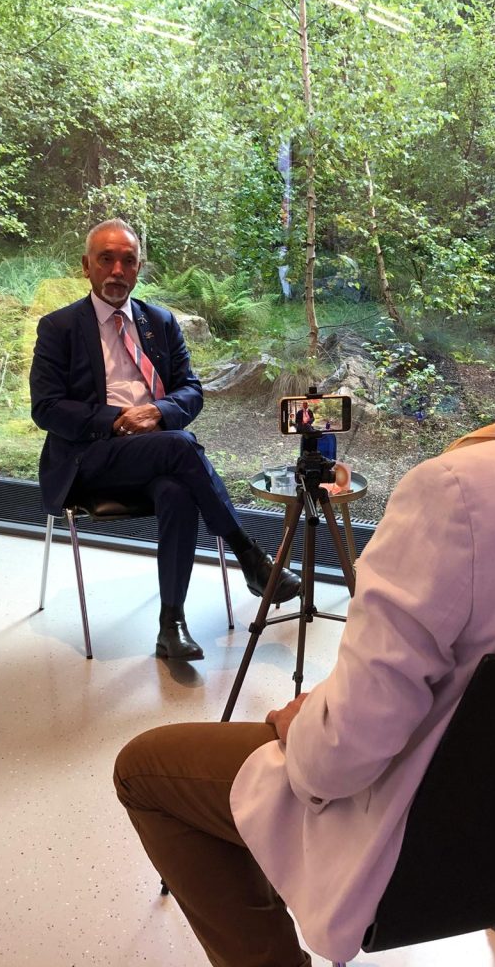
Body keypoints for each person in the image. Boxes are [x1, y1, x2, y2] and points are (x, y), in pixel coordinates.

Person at [112, 237, 495, 965]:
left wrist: (298, 725)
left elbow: (339, 760)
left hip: (423, 856)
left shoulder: (461, 494)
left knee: (146, 769)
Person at [30, 219, 300, 662]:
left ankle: (171, 625)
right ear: (86, 266)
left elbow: (191, 390)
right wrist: (117, 420)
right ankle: (249, 556)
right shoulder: (59, 327)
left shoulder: (159, 322)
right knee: (182, 446)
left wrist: (158, 412)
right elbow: (46, 408)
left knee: (177, 490)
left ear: (139, 269)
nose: (118, 270)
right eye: (106, 259)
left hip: (156, 454)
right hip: (89, 457)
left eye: (128, 261)